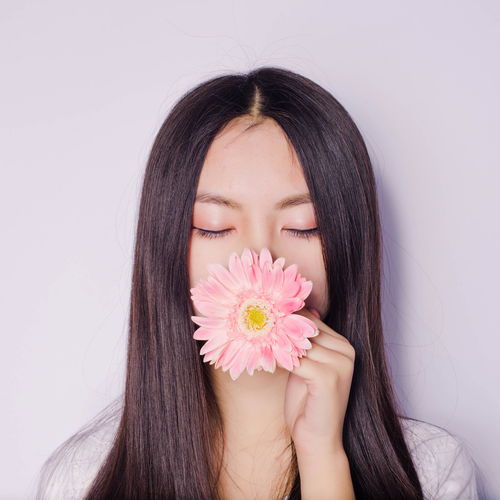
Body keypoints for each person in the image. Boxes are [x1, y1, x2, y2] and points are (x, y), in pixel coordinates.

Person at [36, 66, 481, 499]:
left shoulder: (431, 472)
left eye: (304, 226)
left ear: (349, 243)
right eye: (213, 226)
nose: (257, 259)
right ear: (164, 245)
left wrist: (324, 462)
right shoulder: (80, 480)